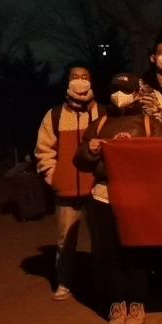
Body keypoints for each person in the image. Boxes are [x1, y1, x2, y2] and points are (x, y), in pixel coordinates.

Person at [75, 73, 162, 324]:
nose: (119, 95)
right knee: (108, 252)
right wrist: (91, 150)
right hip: (104, 194)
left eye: (125, 90)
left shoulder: (150, 124)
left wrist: (136, 148)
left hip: (139, 195)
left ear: (136, 94)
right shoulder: (100, 123)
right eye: (115, 89)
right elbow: (79, 160)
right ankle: (116, 303)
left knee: (136, 250)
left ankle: (137, 302)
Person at [35, 63, 100, 300]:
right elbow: (44, 150)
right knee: (65, 240)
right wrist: (54, 176)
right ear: (67, 81)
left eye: (85, 76)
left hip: (96, 189)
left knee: (101, 241)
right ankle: (64, 282)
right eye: (75, 76)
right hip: (66, 190)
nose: (80, 81)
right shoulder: (54, 115)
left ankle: (100, 283)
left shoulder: (101, 113)